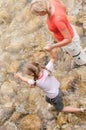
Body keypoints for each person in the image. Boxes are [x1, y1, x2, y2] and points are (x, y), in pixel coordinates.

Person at [14, 49, 86, 113]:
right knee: (47, 99)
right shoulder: (46, 69)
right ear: (37, 66)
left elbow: (25, 80)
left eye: (28, 74)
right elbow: (53, 58)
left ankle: (81, 110)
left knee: (61, 109)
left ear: (32, 74)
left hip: (54, 96)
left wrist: (19, 76)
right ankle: (55, 103)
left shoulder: (35, 81)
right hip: (57, 89)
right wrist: (50, 50)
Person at [29, 0, 86, 69]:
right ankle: (78, 56)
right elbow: (64, 7)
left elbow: (68, 39)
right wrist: (64, 19)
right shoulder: (52, 2)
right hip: (69, 29)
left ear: (43, 11)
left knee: (82, 59)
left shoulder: (57, 20)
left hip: (71, 43)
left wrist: (52, 46)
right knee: (77, 54)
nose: (38, 15)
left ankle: (81, 60)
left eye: (38, 14)